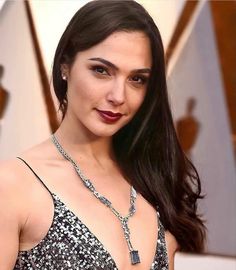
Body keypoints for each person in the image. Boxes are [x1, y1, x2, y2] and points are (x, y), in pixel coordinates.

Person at [0, 1, 206, 269]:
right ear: (65, 65)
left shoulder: (151, 181)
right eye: (101, 70)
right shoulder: (12, 186)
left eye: (137, 79)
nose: (118, 96)